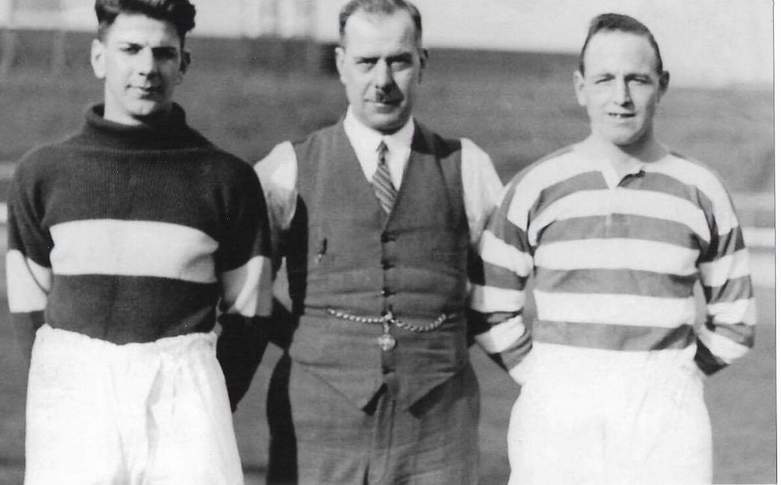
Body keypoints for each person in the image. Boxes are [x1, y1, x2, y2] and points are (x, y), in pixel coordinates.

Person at [474, 13, 756, 485]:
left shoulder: (701, 189)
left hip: (666, 417)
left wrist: (677, 378)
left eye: (637, 80)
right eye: (604, 79)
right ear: (580, 87)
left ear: (662, 86)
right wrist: (543, 377)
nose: (620, 97)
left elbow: (737, 318)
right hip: (558, 413)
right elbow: (489, 303)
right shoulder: (536, 186)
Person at [253, 0, 525, 482]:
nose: (382, 80)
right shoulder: (288, 166)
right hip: (318, 424)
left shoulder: (467, 165)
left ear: (422, 63)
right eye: (366, 62)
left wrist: (439, 338)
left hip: (438, 428)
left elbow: (502, 288)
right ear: (341, 64)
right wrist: (307, 337)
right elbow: (241, 285)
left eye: (398, 61)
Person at [5, 0, 272, 483]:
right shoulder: (42, 174)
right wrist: (65, 390)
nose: (148, 68)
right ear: (98, 57)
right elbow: (28, 306)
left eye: (164, 53)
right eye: (130, 49)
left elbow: (250, 311)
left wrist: (204, 400)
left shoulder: (225, 179)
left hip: (185, 405)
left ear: (183, 64)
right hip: (76, 404)